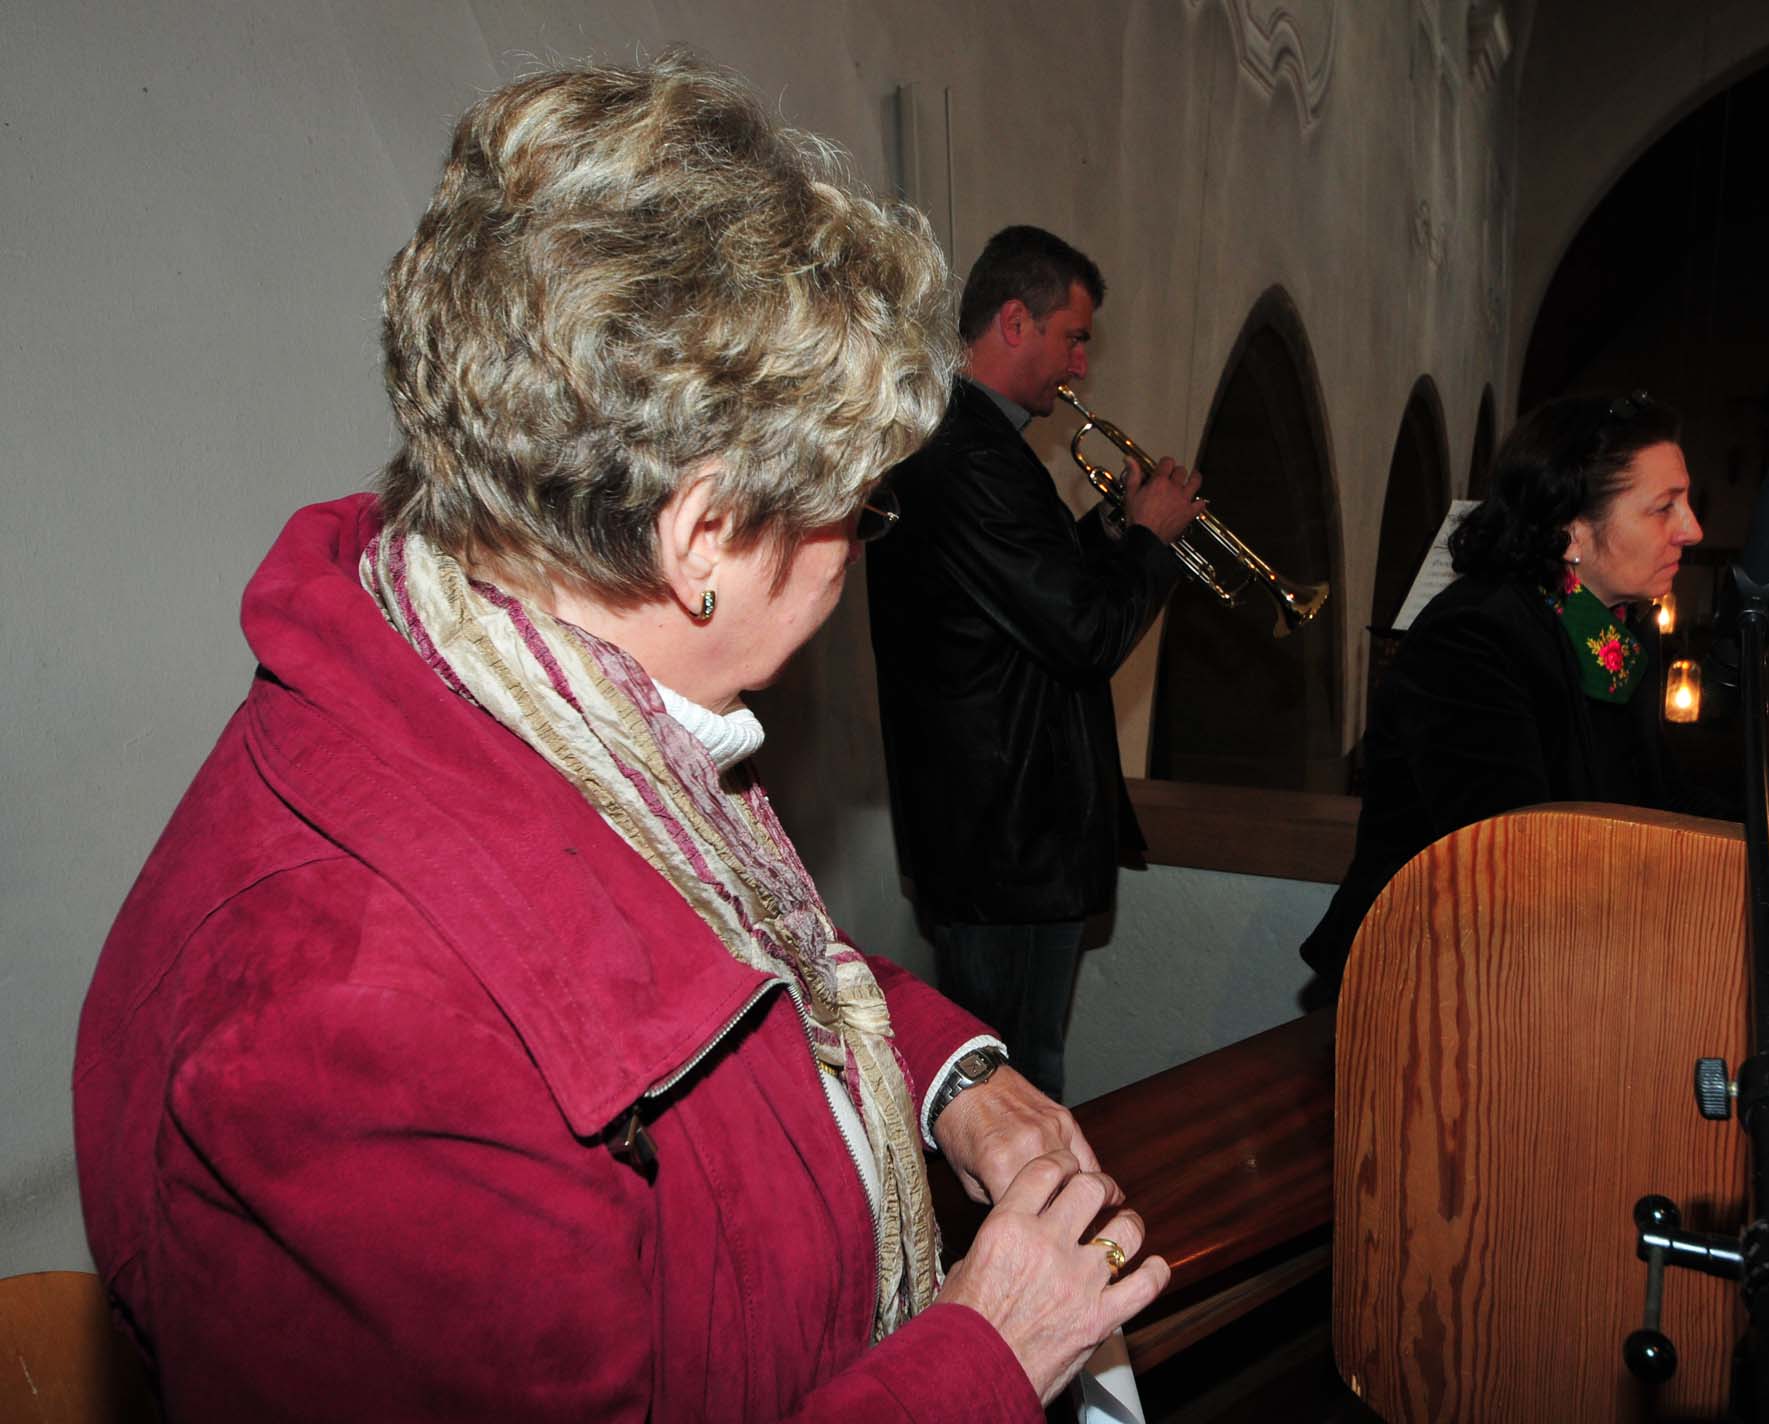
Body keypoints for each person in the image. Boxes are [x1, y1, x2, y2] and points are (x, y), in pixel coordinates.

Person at [72, 54, 1166, 1423]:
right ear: (701, 538)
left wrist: (956, 1081)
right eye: (856, 513)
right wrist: (988, 1348)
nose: (852, 559)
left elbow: (738, 977)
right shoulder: (358, 1027)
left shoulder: (537, 687)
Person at [866, 226, 1204, 1101]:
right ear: (1015, 320)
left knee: (1019, 1077)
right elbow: (1083, 635)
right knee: (1017, 1087)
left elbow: (1032, 595)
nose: (1081, 367)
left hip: (1008, 836)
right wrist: (1157, 544)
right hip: (1007, 844)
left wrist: (1117, 527)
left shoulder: (981, 447)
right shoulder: (968, 455)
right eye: (1073, 337)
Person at [1300, 391, 1705, 985]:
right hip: (1435, 975)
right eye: (1664, 508)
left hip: (1562, 959)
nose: (1692, 530)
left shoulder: (1614, 635)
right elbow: (1509, 852)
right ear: (1571, 530)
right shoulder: (1472, 636)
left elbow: (1661, 798)